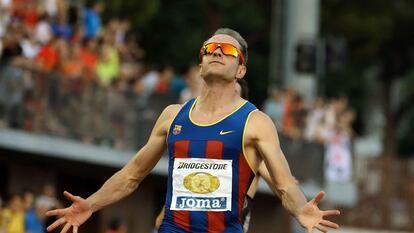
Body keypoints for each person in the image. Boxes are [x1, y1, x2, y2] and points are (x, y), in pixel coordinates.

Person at [46, 28, 340, 233]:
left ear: (240, 70)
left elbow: (284, 183)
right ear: (200, 63)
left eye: (227, 51)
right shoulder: (172, 116)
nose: (217, 53)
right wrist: (91, 205)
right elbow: (132, 174)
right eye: (209, 49)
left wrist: (301, 209)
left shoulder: (255, 122)